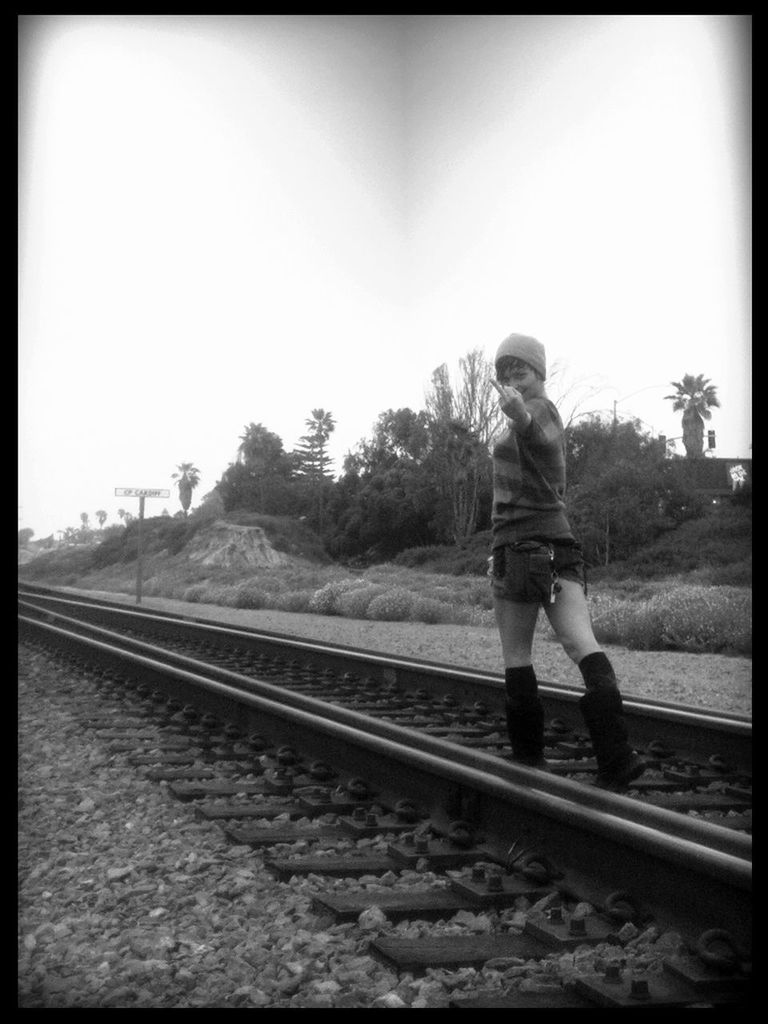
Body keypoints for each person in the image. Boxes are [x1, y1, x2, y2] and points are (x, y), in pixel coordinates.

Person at [489, 332, 646, 790]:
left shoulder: (540, 410)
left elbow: (533, 428)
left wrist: (517, 410)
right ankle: (617, 756)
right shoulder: (541, 414)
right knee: (581, 644)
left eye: (520, 368)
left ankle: (528, 761)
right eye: (505, 370)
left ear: (540, 372)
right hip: (559, 546)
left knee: (517, 654)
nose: (511, 376)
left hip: (519, 548)